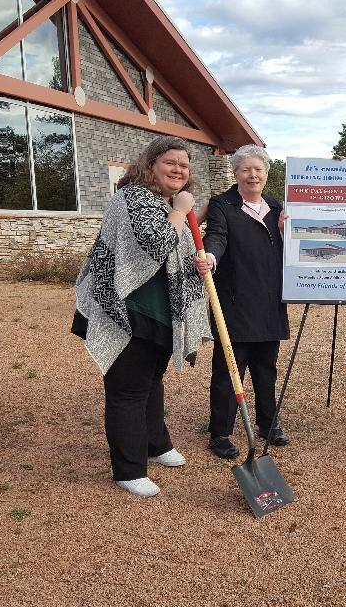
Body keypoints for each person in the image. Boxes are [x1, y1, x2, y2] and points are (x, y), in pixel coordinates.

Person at [73, 136, 212, 498]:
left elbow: (178, 252)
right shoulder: (133, 197)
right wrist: (180, 211)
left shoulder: (166, 202)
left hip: (161, 312)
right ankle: (129, 469)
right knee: (128, 390)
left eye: (184, 165)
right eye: (170, 163)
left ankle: (155, 443)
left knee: (152, 381)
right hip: (126, 310)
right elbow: (156, 243)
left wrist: (202, 261)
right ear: (151, 165)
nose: (178, 170)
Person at [199, 145, 291, 458]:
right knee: (228, 371)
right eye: (245, 169)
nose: (253, 175)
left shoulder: (276, 207)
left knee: (266, 369)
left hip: (269, 301)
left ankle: (268, 424)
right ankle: (220, 433)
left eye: (258, 169)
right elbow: (217, 237)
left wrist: (286, 233)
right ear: (236, 173)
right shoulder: (222, 205)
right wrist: (211, 257)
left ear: (266, 173)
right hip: (235, 302)